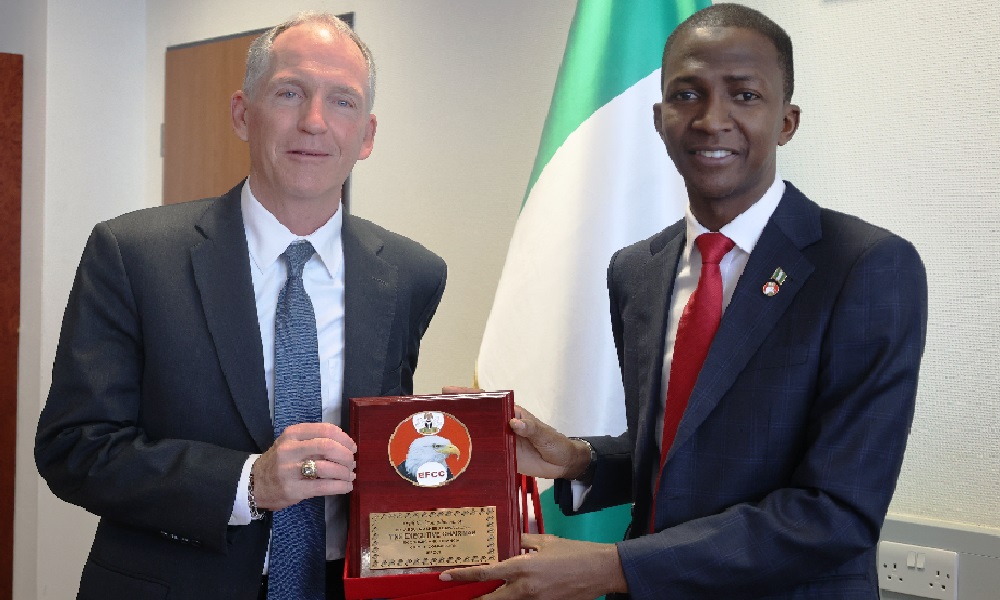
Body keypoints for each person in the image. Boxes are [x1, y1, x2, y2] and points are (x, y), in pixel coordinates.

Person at [442, 4, 927, 599]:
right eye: (687, 94)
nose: (711, 119)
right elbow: (683, 449)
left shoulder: (865, 266)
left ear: (787, 121)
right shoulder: (636, 270)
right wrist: (577, 460)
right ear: (659, 118)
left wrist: (612, 567)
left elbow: (837, 510)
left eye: (745, 95)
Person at [35, 12, 446, 600]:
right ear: (241, 113)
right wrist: (247, 483)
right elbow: (75, 448)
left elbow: (386, 443)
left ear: (368, 135)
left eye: (342, 101)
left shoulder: (411, 274)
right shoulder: (133, 255)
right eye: (289, 93)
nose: (314, 121)